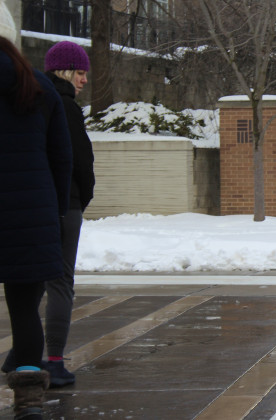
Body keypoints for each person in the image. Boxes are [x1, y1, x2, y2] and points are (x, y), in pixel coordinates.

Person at [0, 1, 73, 417]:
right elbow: (61, 160)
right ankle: (28, 400)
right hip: (30, 217)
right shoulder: (40, 89)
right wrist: (54, 212)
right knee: (25, 310)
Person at [41, 41, 95, 387]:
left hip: (37, 206)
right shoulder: (67, 109)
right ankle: (55, 360)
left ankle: (23, 354)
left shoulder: (33, 104)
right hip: (65, 205)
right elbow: (80, 163)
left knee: (31, 282)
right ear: (64, 72)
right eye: (80, 72)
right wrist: (81, 199)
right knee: (61, 283)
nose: (84, 80)